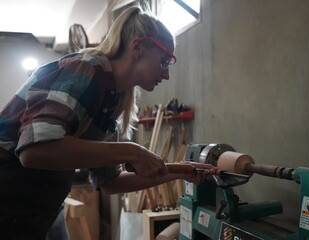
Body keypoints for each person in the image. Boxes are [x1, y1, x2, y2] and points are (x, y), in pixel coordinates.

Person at [0, 4, 215, 240]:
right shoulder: (84, 68)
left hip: (42, 207)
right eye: (164, 61)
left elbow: (110, 181)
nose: (166, 74)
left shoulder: (113, 101)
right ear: (138, 47)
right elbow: (34, 150)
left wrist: (178, 171)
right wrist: (131, 151)